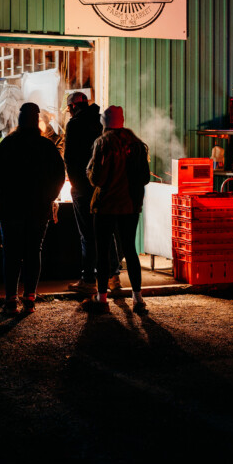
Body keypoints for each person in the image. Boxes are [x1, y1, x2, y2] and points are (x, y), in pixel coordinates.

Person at [0, 103, 66, 316]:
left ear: (19, 121)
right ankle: (30, 299)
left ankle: (11, 299)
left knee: (11, 253)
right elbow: (59, 175)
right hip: (38, 208)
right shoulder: (46, 146)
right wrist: (49, 197)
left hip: (11, 208)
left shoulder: (9, 142)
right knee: (33, 252)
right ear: (37, 121)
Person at [84, 105, 151, 313]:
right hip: (130, 206)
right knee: (130, 250)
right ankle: (138, 299)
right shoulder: (137, 144)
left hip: (105, 206)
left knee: (103, 252)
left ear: (105, 123)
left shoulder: (102, 143)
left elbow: (97, 179)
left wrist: (89, 171)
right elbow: (145, 178)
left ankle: (102, 299)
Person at [62, 91, 117, 297]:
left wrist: (75, 183)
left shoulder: (74, 124)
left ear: (73, 107)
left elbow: (69, 157)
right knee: (105, 231)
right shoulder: (99, 121)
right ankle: (113, 276)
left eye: (69, 109)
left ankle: (88, 280)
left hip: (83, 187)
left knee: (87, 234)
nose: (69, 112)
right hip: (102, 186)